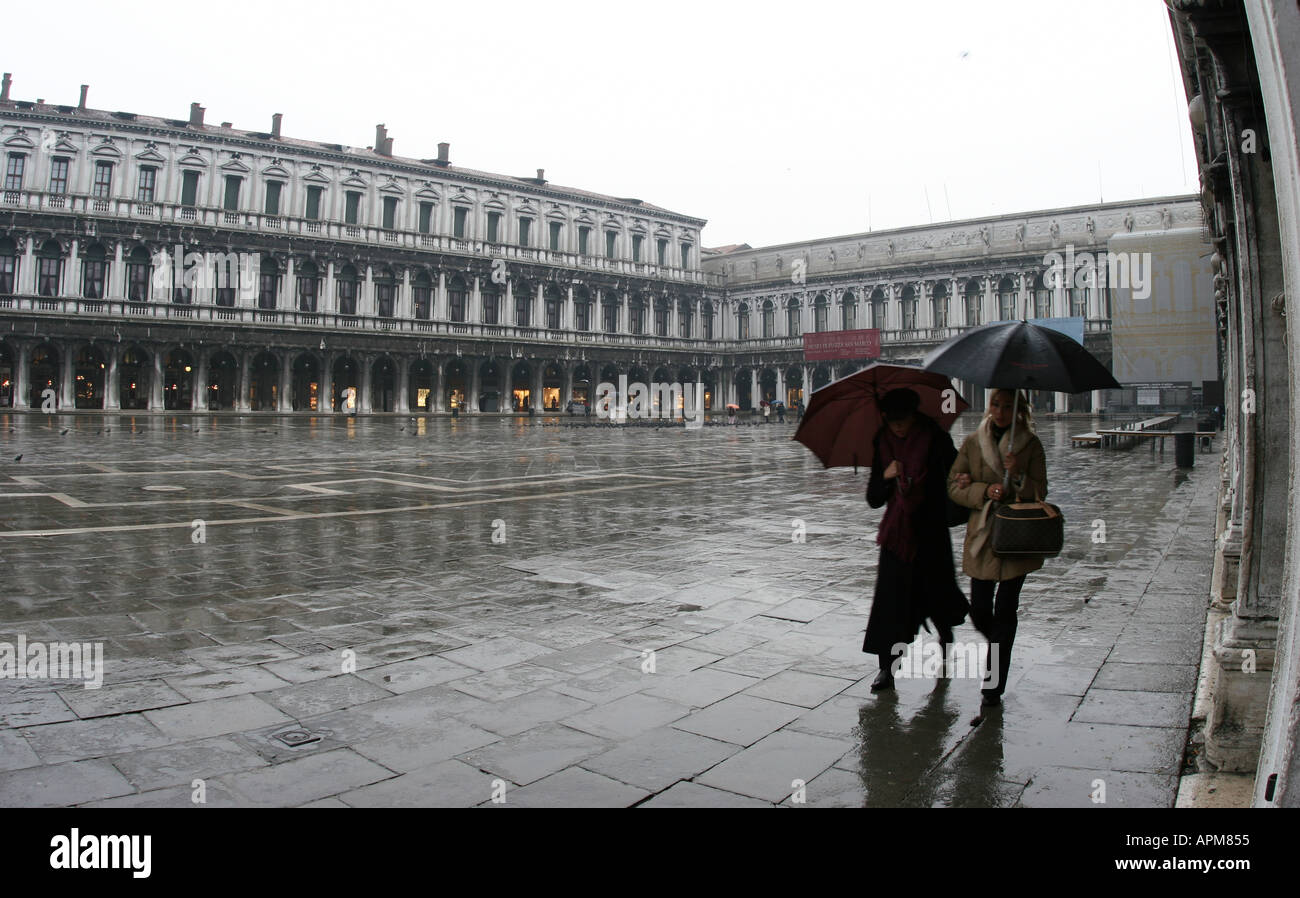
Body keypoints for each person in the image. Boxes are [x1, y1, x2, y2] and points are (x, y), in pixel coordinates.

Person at [863, 388, 969, 692]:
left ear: (914, 415)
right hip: (897, 536)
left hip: (930, 532)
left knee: (935, 595)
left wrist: (962, 479)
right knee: (891, 605)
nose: (897, 426)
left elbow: (956, 471)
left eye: (903, 420)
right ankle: (887, 668)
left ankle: (945, 637)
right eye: (891, 420)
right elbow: (873, 498)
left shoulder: (935, 438)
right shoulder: (881, 442)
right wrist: (886, 476)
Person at [948, 389, 1048, 707]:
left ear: (1019, 411)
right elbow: (953, 485)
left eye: (1008, 406)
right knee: (979, 610)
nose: (1001, 411)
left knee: (1006, 608)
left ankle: (994, 683)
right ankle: (1000, 643)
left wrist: (1017, 474)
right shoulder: (973, 442)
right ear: (988, 407)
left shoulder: (1030, 446)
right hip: (982, 538)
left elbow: (1040, 491)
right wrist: (981, 489)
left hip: (1016, 539)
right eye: (996, 404)